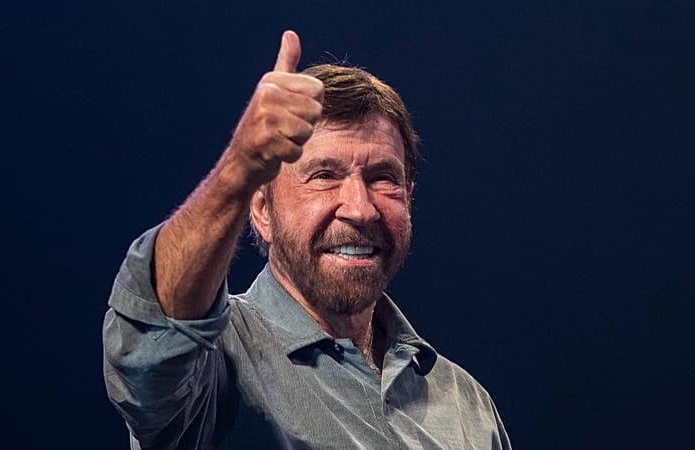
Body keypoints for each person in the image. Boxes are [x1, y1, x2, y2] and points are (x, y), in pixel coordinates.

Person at [103, 30, 511, 449]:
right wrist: (239, 169)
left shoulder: (468, 408)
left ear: (409, 197)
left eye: (382, 178)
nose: (361, 209)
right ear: (262, 209)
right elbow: (149, 340)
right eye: (324, 176)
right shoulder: (212, 367)